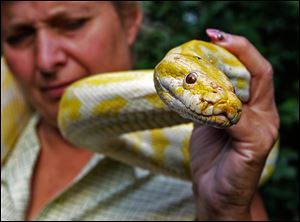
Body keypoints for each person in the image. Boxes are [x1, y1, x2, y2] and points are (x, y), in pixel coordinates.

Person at [1, 1, 279, 221]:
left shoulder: (213, 165)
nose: (46, 60)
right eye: (18, 36)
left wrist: (223, 213)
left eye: (72, 24)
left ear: (131, 21)